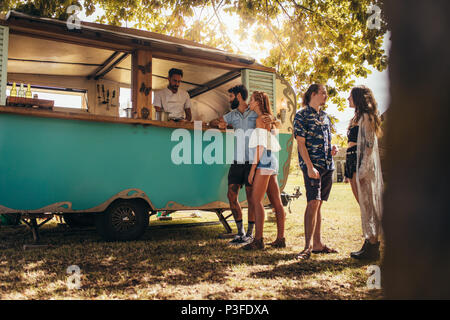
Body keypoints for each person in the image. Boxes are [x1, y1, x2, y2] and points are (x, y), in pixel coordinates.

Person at [209, 85, 276, 245]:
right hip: (238, 160)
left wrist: (274, 120)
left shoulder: (255, 112)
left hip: (253, 161)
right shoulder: (232, 115)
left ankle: (250, 234)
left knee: (252, 198)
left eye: (231, 96)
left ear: (238, 96)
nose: (229, 99)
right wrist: (218, 124)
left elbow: (271, 121)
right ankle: (240, 233)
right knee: (231, 195)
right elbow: (213, 121)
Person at [293, 84, 338, 260]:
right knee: (313, 202)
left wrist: (332, 149)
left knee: (318, 203)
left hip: (328, 165)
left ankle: (318, 244)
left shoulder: (325, 117)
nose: (325, 96)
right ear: (313, 94)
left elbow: (327, 140)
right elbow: (301, 143)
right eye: (323, 93)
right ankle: (307, 247)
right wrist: (309, 167)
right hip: (312, 166)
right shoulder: (301, 115)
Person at [242, 91, 286, 250]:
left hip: (263, 161)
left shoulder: (261, 119)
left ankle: (258, 240)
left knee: (255, 200)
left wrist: (253, 169)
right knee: (276, 201)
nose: (249, 103)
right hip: (271, 161)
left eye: (251, 100)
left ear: (258, 102)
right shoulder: (270, 119)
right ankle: (281, 238)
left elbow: (261, 146)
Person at [345, 86, 383, 260]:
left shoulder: (367, 117)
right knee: (362, 204)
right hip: (351, 159)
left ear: (358, 98)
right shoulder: (356, 117)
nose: (347, 99)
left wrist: (363, 168)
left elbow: (368, 146)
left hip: (361, 162)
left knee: (367, 203)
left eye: (350, 96)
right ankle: (369, 240)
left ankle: (373, 244)